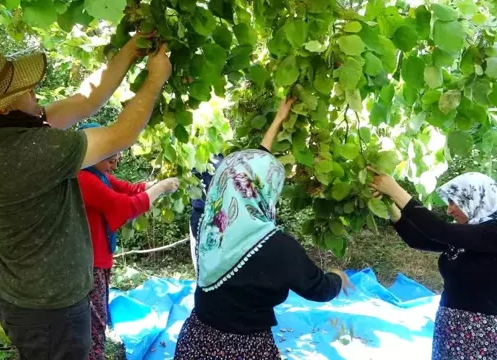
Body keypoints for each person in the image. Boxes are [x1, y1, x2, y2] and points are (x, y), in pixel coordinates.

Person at [0, 31, 171, 358]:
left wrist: (129, 51)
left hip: (32, 304)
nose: (35, 91)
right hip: (52, 314)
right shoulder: (30, 150)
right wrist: (155, 80)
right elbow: (120, 135)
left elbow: (86, 100)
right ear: (5, 106)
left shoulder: (4, 134)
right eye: (25, 89)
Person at [174, 98, 354, 359]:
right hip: (247, 350)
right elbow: (319, 289)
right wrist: (338, 277)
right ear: (267, 191)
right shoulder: (279, 249)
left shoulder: (211, 230)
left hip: (197, 341)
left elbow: (246, 171)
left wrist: (278, 120)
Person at [367, 169, 497, 360]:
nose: (449, 209)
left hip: (478, 336)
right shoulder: (472, 235)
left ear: (476, 198)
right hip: (449, 329)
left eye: (454, 202)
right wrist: (389, 206)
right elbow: (418, 240)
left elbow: (440, 230)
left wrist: (395, 191)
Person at [77, 123, 179, 360]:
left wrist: (151, 186)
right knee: (95, 321)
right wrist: (160, 188)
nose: (113, 164)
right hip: (88, 264)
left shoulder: (97, 174)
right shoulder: (83, 179)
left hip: (97, 260)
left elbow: (129, 189)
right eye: (109, 158)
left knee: (97, 317)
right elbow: (126, 206)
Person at [187, 97, 295, 273]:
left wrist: (279, 118)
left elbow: (261, 155)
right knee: (210, 272)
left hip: (228, 222)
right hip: (205, 221)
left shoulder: (225, 163)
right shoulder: (195, 159)